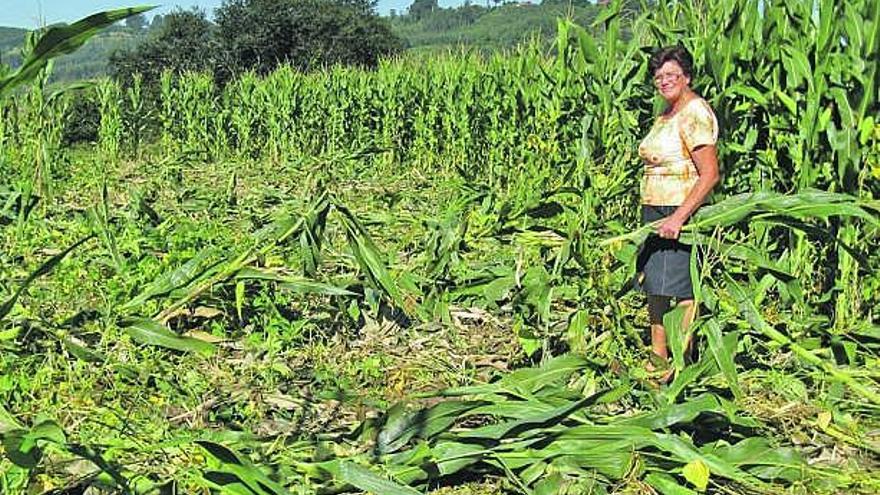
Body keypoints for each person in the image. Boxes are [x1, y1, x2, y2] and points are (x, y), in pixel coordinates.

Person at [636, 45, 720, 382]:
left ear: (686, 76)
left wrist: (679, 217)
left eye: (671, 75)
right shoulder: (667, 114)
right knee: (655, 285)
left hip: (679, 209)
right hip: (656, 209)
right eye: (659, 77)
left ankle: (681, 360)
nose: (664, 81)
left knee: (682, 289)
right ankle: (658, 357)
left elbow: (709, 174)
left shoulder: (695, 112)